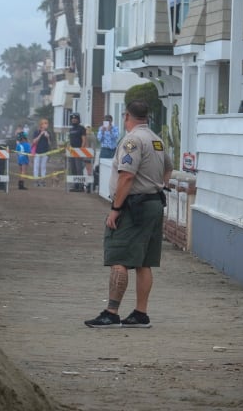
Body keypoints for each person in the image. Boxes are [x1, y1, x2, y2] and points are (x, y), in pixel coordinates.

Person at [84, 100, 173, 328]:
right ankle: (140, 314)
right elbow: (168, 168)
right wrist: (159, 185)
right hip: (154, 203)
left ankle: (111, 312)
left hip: (134, 206)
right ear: (148, 117)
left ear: (126, 116)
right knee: (144, 261)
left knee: (119, 256)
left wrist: (116, 209)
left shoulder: (132, 140)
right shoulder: (157, 140)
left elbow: (126, 176)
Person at [68, 113, 87, 192]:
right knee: (73, 169)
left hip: (79, 151)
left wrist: (81, 150)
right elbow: (70, 141)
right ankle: (75, 185)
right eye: (72, 118)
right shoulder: (71, 129)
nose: (74, 119)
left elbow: (84, 140)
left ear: (78, 119)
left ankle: (81, 186)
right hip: (72, 151)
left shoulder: (81, 128)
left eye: (75, 118)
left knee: (79, 169)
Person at [31, 118, 53, 187]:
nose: (47, 125)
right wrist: (40, 134)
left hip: (45, 152)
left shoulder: (48, 132)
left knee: (43, 167)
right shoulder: (36, 132)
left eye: (47, 123)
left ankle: (43, 181)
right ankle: (36, 180)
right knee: (36, 166)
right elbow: (34, 141)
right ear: (41, 124)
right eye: (45, 123)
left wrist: (48, 137)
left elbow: (49, 144)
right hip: (37, 152)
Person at [84, 125, 99, 193]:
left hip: (88, 155)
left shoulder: (88, 136)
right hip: (90, 155)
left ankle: (90, 185)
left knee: (89, 171)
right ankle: (91, 184)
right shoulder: (93, 136)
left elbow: (89, 147)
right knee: (90, 170)